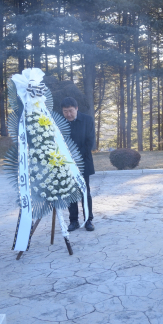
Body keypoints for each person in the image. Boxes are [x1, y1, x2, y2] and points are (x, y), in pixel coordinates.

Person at [61, 97, 96, 231]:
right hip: (65, 164)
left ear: (76, 108)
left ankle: (88, 220)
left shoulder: (87, 120)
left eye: (71, 111)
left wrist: (74, 158)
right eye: (65, 111)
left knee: (84, 192)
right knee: (70, 192)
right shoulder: (59, 122)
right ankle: (73, 221)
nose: (68, 114)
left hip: (83, 161)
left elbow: (89, 142)